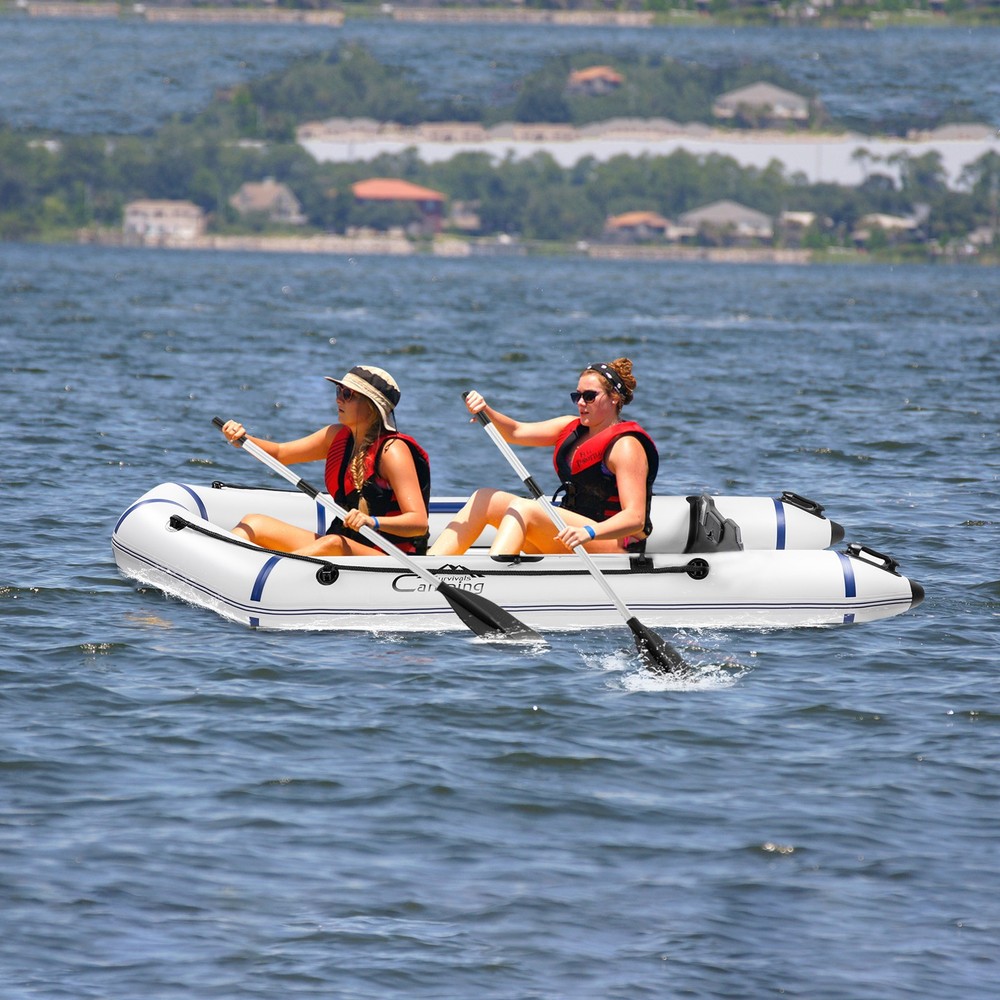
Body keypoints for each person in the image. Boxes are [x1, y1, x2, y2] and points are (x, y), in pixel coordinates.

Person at [429, 358, 658, 557]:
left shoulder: (626, 446)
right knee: (485, 499)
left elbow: (635, 518)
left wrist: (588, 532)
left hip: (612, 544)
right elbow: (516, 431)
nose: (581, 403)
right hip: (570, 534)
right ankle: (429, 569)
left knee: (525, 508)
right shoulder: (570, 427)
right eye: (577, 396)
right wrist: (486, 411)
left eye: (589, 396)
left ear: (614, 398)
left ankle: (493, 579)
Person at [219, 365, 430, 557]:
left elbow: (418, 523)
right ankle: (221, 563)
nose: (339, 399)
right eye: (339, 391)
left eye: (348, 394)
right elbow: (280, 453)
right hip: (346, 544)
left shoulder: (393, 451)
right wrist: (242, 439)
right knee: (254, 523)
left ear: (372, 407)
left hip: (391, 557)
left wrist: (371, 521)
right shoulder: (336, 436)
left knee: (333, 543)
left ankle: (269, 572)